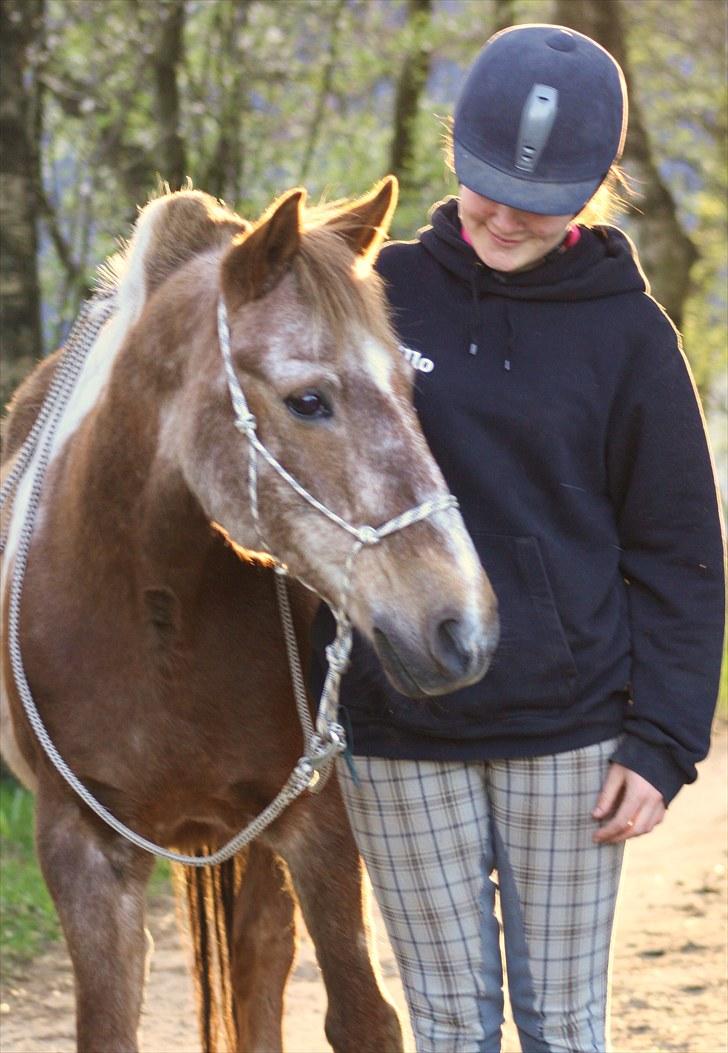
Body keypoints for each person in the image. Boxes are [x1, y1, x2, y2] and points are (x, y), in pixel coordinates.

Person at [310, 23, 725, 1053]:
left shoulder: (626, 336)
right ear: (453, 149)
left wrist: (663, 740)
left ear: (592, 187)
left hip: (571, 738)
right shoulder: (373, 295)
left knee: (561, 1025)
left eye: (539, 200)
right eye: (489, 182)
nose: (504, 215)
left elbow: (676, 552)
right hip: (401, 729)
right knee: (450, 1025)